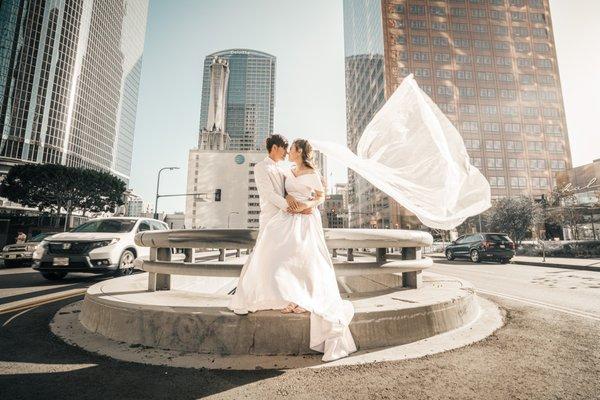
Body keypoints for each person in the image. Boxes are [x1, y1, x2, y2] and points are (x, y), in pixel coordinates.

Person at [228, 137, 357, 362]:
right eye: (286, 148)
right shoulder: (280, 169)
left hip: (305, 218)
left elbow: (320, 197)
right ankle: (286, 297)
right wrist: (291, 204)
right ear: (276, 148)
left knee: (305, 259)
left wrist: (305, 206)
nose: (288, 152)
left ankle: (300, 299)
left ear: (299, 151)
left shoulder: (310, 172)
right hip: (284, 217)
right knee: (278, 257)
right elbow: (278, 193)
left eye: (292, 149)